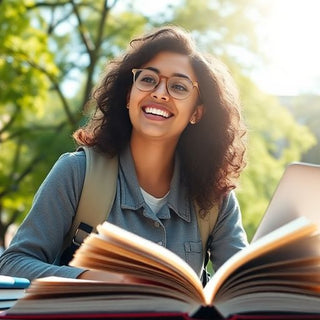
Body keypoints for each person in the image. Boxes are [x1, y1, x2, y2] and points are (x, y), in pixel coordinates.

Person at [0, 25, 248, 282]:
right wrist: (91, 278)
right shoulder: (77, 173)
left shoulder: (215, 198)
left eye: (179, 87)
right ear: (129, 95)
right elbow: (12, 264)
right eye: (148, 79)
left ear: (197, 112)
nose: (159, 93)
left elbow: (246, 287)